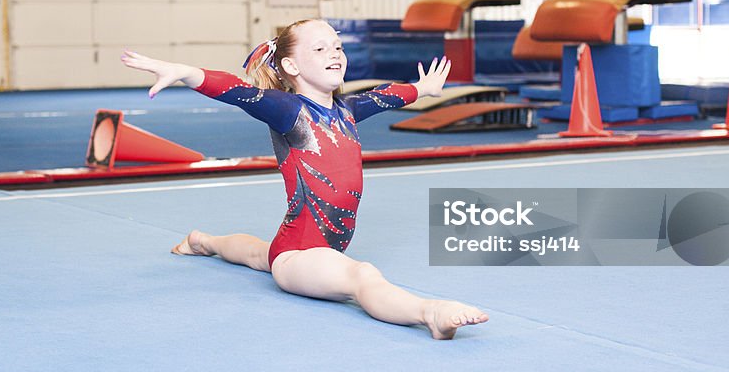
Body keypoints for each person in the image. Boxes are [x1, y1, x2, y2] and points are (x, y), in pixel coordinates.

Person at [121, 19, 488, 339]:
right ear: (290, 65)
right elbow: (237, 91)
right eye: (321, 47)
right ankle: (430, 313)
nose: (335, 53)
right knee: (362, 276)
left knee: (255, 252)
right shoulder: (288, 110)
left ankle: (204, 242)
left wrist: (423, 89)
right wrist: (186, 72)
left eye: (338, 46)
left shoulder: (346, 110)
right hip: (301, 255)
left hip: (295, 242)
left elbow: (385, 97)